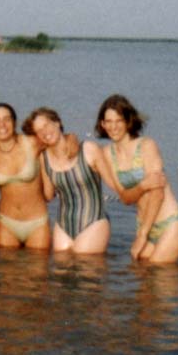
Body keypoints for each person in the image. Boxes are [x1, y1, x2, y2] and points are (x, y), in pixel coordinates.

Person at [95, 94, 178, 264]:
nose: (113, 127)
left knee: (158, 271)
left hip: (169, 224)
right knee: (141, 275)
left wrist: (142, 235)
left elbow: (158, 193)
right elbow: (125, 198)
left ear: (128, 121)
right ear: (102, 124)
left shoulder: (146, 146)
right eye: (108, 121)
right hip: (144, 225)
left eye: (118, 121)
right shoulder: (108, 154)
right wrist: (143, 185)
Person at [25, 106, 110, 255]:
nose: (44, 132)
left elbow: (113, 182)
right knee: (60, 264)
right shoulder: (44, 158)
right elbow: (48, 195)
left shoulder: (88, 149)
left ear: (57, 122)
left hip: (94, 221)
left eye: (46, 125)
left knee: (85, 263)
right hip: (63, 225)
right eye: (38, 130)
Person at [0, 102, 51, 250]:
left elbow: (57, 139)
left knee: (39, 265)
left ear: (14, 122)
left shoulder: (32, 143)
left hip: (37, 222)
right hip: (6, 222)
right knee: (7, 264)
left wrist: (71, 138)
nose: (2, 125)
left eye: (7, 119)